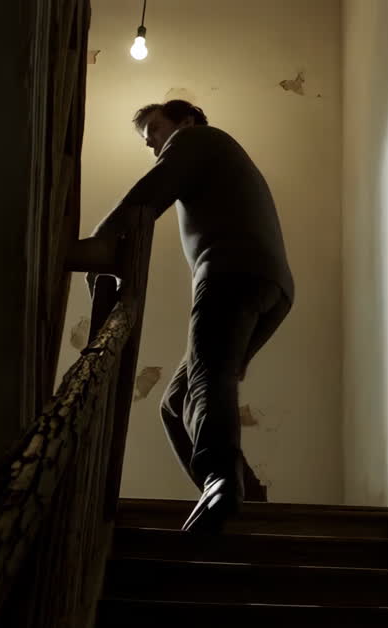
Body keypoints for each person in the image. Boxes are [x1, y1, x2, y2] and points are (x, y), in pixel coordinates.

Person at [90, 100, 293, 534]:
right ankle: (246, 492)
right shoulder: (214, 153)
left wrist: (98, 245)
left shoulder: (196, 138)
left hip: (230, 272)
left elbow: (149, 193)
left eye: (156, 132)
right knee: (176, 402)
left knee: (206, 379)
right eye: (149, 142)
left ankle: (221, 481)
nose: (155, 145)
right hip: (267, 285)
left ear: (185, 121)